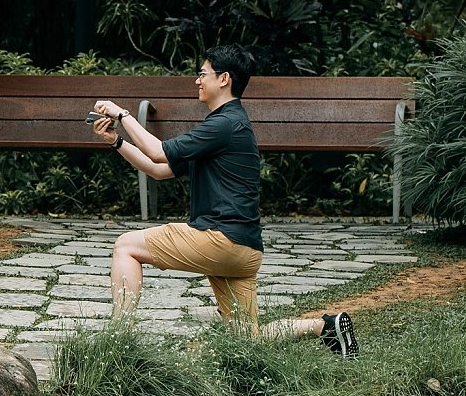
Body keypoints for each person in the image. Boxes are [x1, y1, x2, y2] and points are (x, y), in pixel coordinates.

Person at [90, 44, 360, 357]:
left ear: (224, 79)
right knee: (248, 340)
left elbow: (158, 151)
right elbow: (159, 169)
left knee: (126, 246)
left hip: (220, 239)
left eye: (202, 74)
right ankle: (325, 326)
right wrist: (117, 141)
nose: (197, 80)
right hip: (244, 250)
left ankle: (117, 344)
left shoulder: (225, 124)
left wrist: (123, 115)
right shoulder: (227, 126)